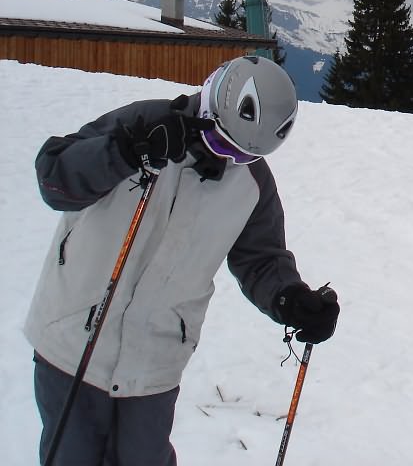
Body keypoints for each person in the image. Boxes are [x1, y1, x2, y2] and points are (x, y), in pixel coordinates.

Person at [25, 55, 341, 466]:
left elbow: (261, 259)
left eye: (244, 155)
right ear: (208, 106)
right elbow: (55, 178)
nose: (228, 160)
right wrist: (125, 151)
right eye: (222, 144)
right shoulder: (142, 124)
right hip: (72, 341)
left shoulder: (251, 183)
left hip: (153, 362)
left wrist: (290, 299)